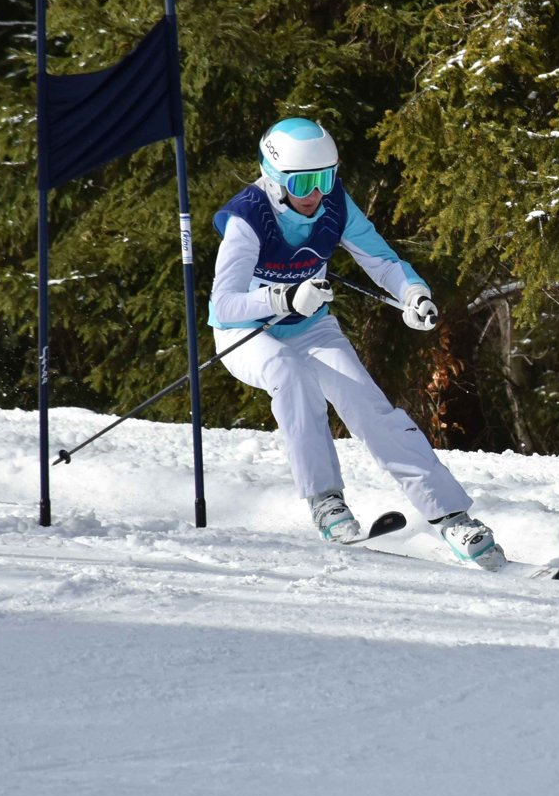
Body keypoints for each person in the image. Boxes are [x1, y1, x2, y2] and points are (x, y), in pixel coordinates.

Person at [207, 116, 503, 567]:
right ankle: (325, 501)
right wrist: (283, 296)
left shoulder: (334, 204)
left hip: (310, 327)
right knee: (290, 374)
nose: (315, 193)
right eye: (303, 182)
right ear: (275, 178)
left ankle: (451, 517)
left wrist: (412, 294)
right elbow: (224, 304)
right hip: (246, 333)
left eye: (325, 178)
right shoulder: (248, 218)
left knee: (368, 405)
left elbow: (381, 259)